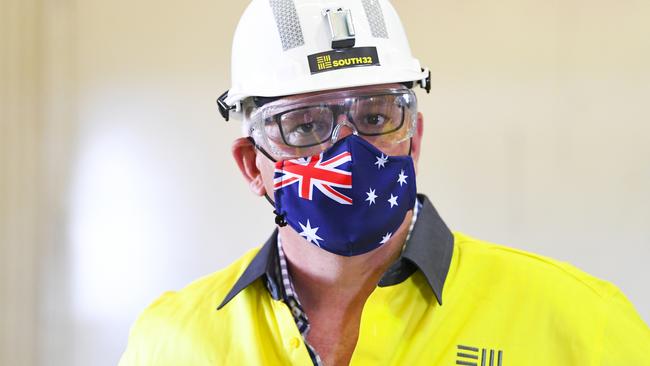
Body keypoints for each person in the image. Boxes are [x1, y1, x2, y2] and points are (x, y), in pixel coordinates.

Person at [119, 1, 650, 365]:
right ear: (251, 165)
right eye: (305, 125)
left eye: (375, 117)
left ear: (413, 137)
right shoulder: (174, 342)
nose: (348, 150)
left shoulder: (580, 325)